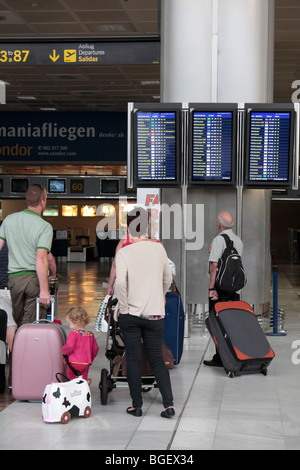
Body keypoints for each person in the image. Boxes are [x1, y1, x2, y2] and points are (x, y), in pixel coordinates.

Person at [114, 207, 175, 418]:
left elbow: (120, 282)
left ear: (128, 227)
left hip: (131, 313)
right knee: (156, 358)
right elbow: (168, 278)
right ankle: (168, 405)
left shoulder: (124, 252)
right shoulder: (159, 249)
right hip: (155, 314)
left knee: (132, 358)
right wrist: (159, 295)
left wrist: (123, 307)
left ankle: (136, 406)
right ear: (147, 226)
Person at [0, 184, 55, 327]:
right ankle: (26, 348)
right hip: (33, 281)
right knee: (31, 325)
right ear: (42, 201)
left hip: (14, 281)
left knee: (19, 322)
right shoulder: (44, 226)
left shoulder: (8, 220)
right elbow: (41, 258)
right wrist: (44, 290)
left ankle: (18, 348)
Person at [204, 210, 243, 367]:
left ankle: (220, 358)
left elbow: (215, 266)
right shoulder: (238, 240)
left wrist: (211, 289)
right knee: (231, 323)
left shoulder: (219, 240)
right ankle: (233, 355)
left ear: (218, 224)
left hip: (219, 290)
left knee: (217, 323)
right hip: (234, 290)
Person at [62, 306, 99, 383]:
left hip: (73, 362)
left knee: (71, 380)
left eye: (69, 323)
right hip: (86, 362)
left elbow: (69, 346)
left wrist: (63, 351)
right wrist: (90, 358)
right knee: (82, 380)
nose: (69, 326)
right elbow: (95, 349)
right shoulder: (90, 334)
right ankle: (83, 387)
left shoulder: (73, 334)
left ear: (75, 321)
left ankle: (73, 392)